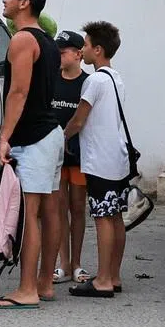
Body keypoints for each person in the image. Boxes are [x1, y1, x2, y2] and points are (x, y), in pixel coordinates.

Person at [0, 0, 64, 309]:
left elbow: (17, 93)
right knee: (48, 212)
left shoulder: (22, 39)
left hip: (33, 137)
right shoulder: (47, 41)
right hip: (50, 134)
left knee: (29, 215)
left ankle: (27, 289)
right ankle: (45, 283)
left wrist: (4, 137)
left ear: (24, 4)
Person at [64, 22, 130, 299]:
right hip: (118, 158)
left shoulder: (94, 80)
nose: (83, 49)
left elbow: (80, 118)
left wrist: (63, 138)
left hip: (99, 159)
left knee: (102, 217)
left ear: (98, 49)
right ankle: (113, 274)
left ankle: (102, 280)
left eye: (87, 45)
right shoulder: (117, 79)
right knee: (115, 217)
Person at [50, 30, 90, 286]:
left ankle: (76, 263)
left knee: (77, 209)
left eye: (63, 52)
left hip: (79, 155)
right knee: (58, 208)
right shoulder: (51, 78)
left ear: (78, 54)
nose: (59, 56)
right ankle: (63, 263)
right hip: (54, 156)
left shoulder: (88, 82)